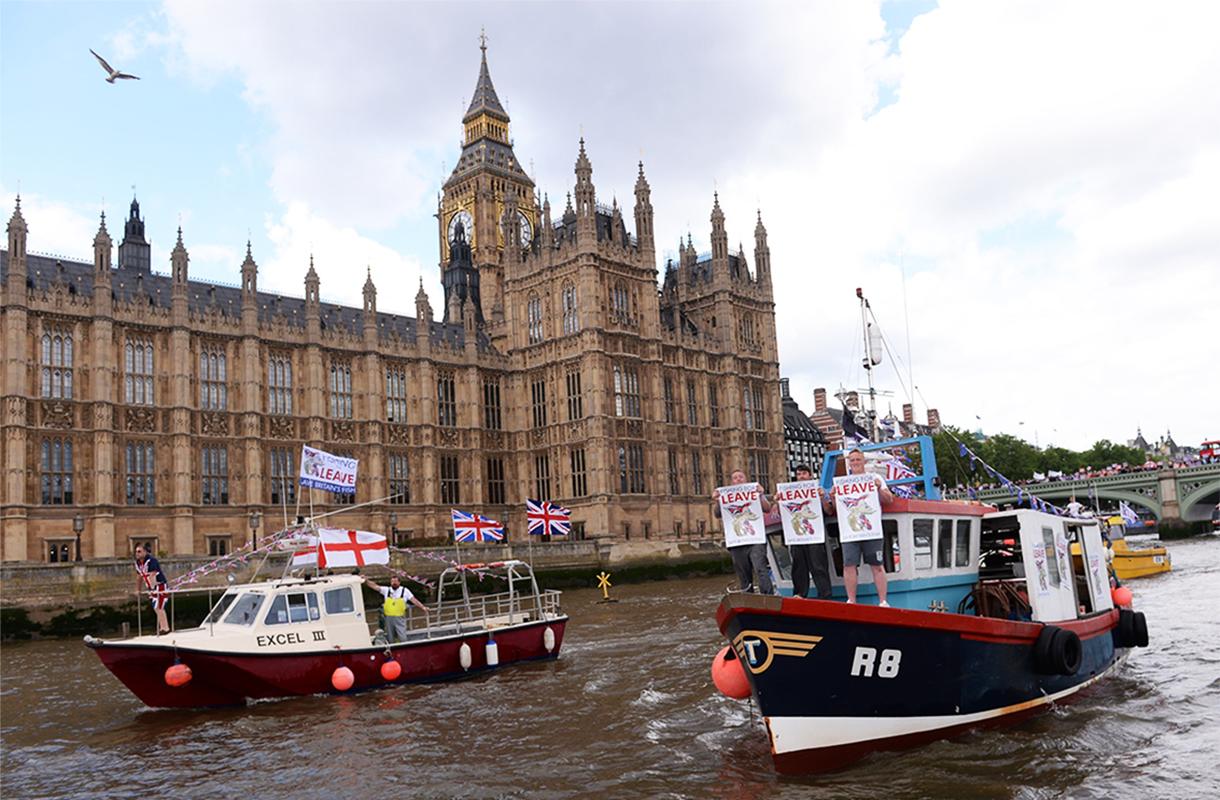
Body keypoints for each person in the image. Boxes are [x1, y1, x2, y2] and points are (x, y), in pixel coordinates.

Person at [830, 448, 894, 606]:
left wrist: (879, 487)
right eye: (852, 460)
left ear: (864, 461)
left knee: (877, 565)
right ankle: (851, 600)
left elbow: (889, 499)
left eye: (858, 459)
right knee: (849, 565)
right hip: (850, 531)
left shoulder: (876, 477)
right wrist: (832, 497)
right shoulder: (842, 482)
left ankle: (883, 601)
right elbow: (837, 510)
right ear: (849, 463)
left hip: (872, 530)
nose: (855, 463)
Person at [714, 468, 774, 594]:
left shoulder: (755, 492)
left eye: (740, 476)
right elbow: (717, 514)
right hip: (736, 541)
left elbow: (768, 509)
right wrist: (718, 501)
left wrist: (761, 495)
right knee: (743, 575)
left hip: (756, 539)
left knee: (760, 568)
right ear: (732, 482)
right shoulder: (725, 496)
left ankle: (768, 597)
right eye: (735, 478)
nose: (738, 479)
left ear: (746, 479)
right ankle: (748, 599)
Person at [787, 464, 832, 600]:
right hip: (797, 535)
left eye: (804, 474)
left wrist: (823, 497)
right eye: (799, 474)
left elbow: (829, 511)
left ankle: (825, 595)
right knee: (798, 566)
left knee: (818, 566)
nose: (801, 477)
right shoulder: (789, 492)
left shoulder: (820, 490)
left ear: (810, 476)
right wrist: (778, 502)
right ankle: (799, 594)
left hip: (815, 535)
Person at [363, 574, 428, 643]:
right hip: (388, 618)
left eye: (395, 581)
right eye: (392, 581)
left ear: (399, 582)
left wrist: (423, 607)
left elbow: (414, 600)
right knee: (390, 637)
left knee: (402, 637)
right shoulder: (386, 590)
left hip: (399, 618)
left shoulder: (405, 591)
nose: (394, 583)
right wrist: (366, 581)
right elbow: (375, 586)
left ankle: (404, 647)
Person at [133, 544, 170, 635]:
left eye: (139, 551)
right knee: (156, 607)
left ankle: (165, 628)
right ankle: (163, 627)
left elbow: (153, 574)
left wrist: (153, 587)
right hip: (151, 587)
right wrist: (138, 589)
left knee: (159, 606)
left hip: (160, 585)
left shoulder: (152, 561)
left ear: (145, 552)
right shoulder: (138, 563)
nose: (137, 553)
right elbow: (139, 577)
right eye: (136, 551)